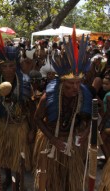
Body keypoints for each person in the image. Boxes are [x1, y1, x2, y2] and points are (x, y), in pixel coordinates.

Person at [33, 32, 92, 191]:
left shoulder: (83, 95)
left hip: (74, 145)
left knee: (71, 184)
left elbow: (90, 119)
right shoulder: (49, 97)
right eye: (70, 85)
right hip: (54, 142)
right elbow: (37, 119)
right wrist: (52, 139)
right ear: (61, 83)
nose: (75, 88)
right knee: (52, 183)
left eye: (78, 83)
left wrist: (85, 131)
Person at [0, 34, 34, 190]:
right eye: (4, 66)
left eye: (11, 65)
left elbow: (30, 107)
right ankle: (7, 178)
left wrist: (32, 129)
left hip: (19, 125)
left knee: (19, 157)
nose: (8, 70)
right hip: (1, 125)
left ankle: (18, 180)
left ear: (16, 65)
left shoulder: (24, 80)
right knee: (3, 154)